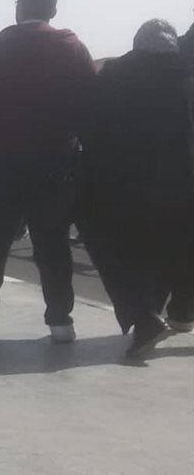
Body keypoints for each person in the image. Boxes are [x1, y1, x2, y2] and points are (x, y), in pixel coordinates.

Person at [0, 0, 96, 342]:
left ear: (19, 7)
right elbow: (91, 102)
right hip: (54, 158)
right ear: (53, 9)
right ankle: (60, 320)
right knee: (52, 239)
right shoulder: (72, 47)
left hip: (2, 158)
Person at [77, 19, 191, 358]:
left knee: (112, 248)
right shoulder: (187, 80)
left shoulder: (111, 78)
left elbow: (89, 129)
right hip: (182, 188)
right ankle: (173, 312)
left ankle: (144, 316)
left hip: (121, 189)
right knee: (178, 248)